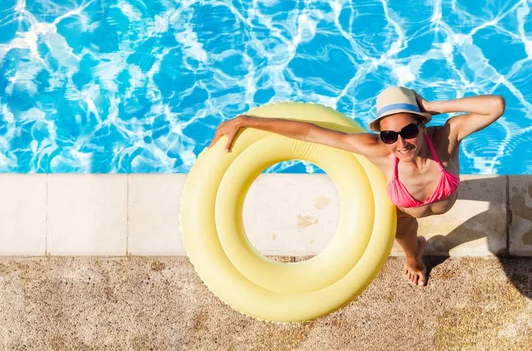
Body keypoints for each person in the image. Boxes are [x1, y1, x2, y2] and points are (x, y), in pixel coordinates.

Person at [207, 87, 506, 287]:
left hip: (441, 194)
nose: (401, 143)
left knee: (411, 234)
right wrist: (247, 120)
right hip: (404, 213)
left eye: (409, 131)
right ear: (382, 136)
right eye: (390, 135)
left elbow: (495, 106)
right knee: (408, 241)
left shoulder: (446, 137)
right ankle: (415, 258)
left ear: (423, 125)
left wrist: (430, 106)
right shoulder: (377, 150)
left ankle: (416, 251)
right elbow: (311, 133)